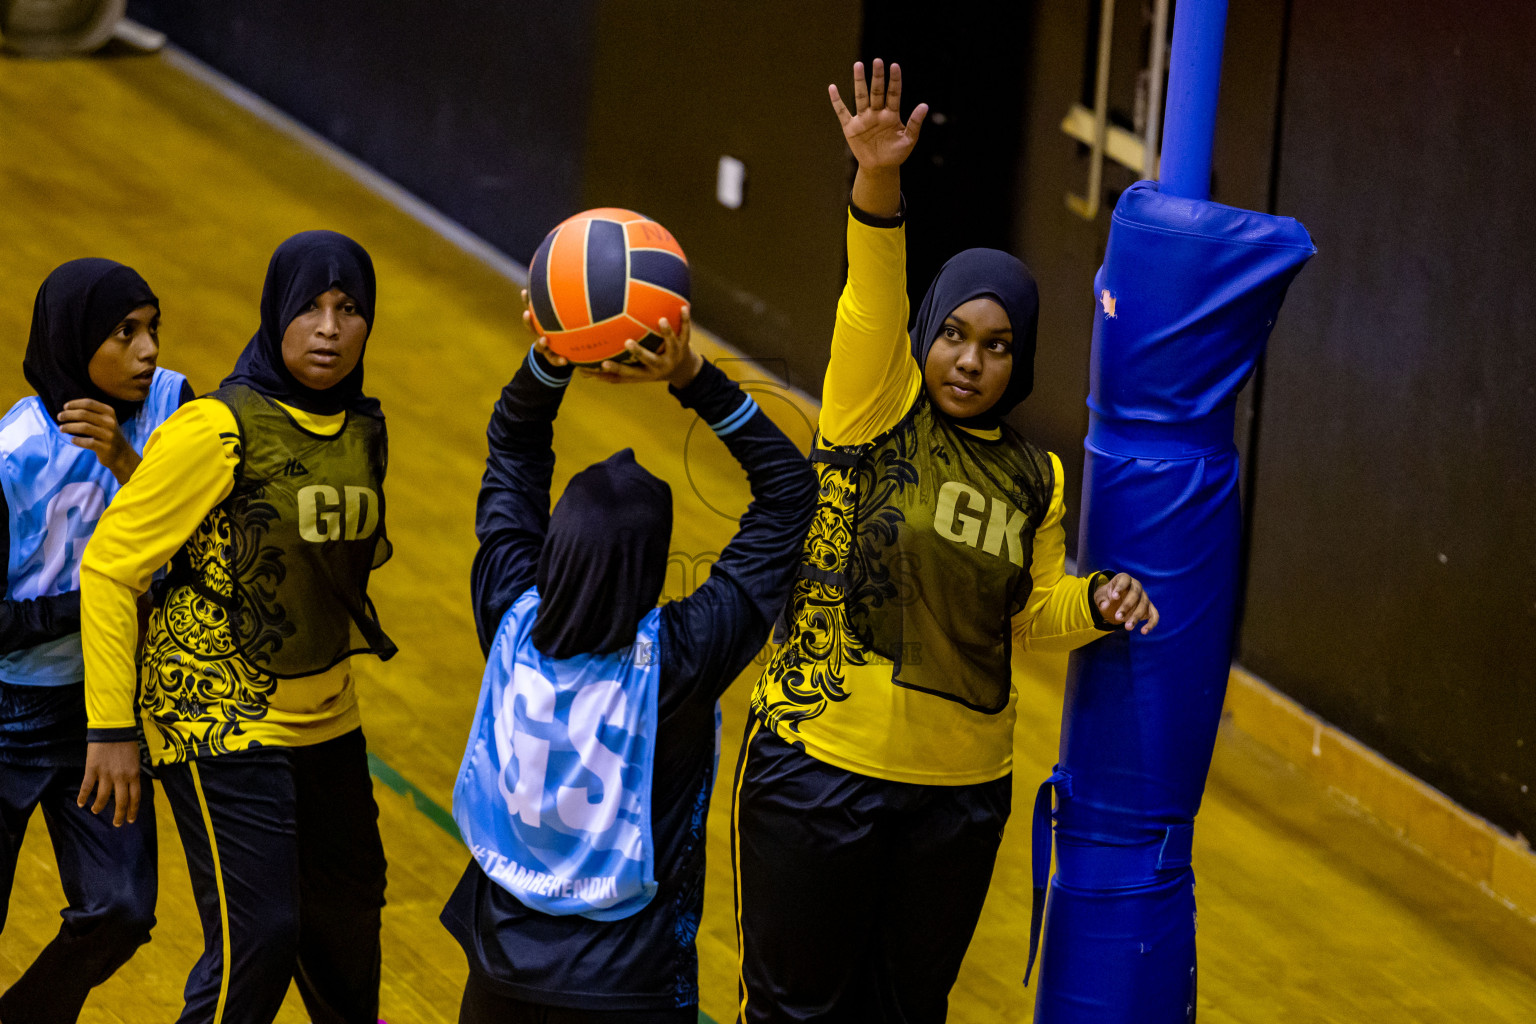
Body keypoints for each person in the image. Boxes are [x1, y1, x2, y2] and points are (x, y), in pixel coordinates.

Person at [732, 61, 1161, 1023]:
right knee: (794, 1013)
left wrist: (1097, 602)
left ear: (1023, 360)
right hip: (819, 772)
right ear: (927, 333)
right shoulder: (873, 407)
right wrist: (877, 179)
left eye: (998, 344)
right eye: (956, 334)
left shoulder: (1037, 477)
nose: (970, 359)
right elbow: (871, 287)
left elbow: (1031, 612)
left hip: (960, 798)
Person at [441, 299, 816, 1023]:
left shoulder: (507, 608)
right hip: (631, 985)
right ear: (650, 572)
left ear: (554, 548)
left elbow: (513, 455)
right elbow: (790, 499)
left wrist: (549, 362)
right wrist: (693, 376)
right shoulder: (680, 659)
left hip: (499, 973)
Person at [78, 231, 396, 1024]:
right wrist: (110, 728)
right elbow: (111, 569)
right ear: (275, 314)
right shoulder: (215, 428)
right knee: (262, 935)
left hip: (327, 715)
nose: (329, 328)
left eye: (349, 309)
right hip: (218, 713)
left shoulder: (362, 427)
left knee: (348, 919)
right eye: (310, 308)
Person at [0, 258, 189, 1024]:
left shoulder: (175, 412)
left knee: (122, 909)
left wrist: (124, 460)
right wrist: (95, 606)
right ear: (75, 342)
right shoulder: (12, 456)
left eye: (152, 329)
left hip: (98, 716)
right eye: (125, 333)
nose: (148, 351)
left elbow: (201, 544)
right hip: (8, 713)